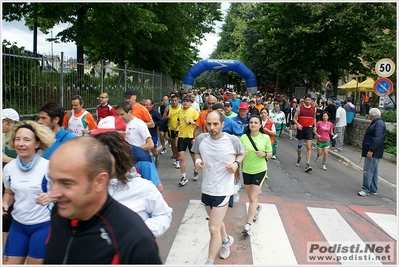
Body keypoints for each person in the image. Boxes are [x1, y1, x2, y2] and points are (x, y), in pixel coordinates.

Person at [42, 137, 162, 264]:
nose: (54, 193)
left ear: (99, 182)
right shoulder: (59, 212)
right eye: (53, 181)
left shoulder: (135, 241)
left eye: (66, 183)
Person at [91, 130, 172, 237]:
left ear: (119, 158)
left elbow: (163, 214)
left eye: (103, 158)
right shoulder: (87, 188)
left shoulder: (142, 186)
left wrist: (138, 232)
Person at [192, 111, 244, 265]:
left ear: (222, 124)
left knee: (213, 228)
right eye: (208, 124)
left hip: (224, 189)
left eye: (215, 124)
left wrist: (236, 164)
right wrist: (198, 161)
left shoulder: (232, 140)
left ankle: (209, 262)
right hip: (207, 188)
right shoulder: (201, 139)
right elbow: (195, 152)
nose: (212, 127)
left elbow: (241, 153)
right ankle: (227, 240)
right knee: (217, 221)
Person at [2, 120, 55, 264]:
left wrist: (51, 197)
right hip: (18, 225)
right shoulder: (9, 168)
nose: (21, 144)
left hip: (42, 225)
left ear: (37, 143)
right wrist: (4, 203)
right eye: (17, 139)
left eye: (26, 140)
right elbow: (9, 193)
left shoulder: (48, 167)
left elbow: (65, 193)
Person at [239, 115, 272, 235]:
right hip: (247, 170)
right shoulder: (243, 137)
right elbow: (238, 152)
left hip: (260, 170)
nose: (253, 124)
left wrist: (264, 154)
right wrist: (242, 154)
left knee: (253, 197)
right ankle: (257, 207)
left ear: (260, 125)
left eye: (255, 122)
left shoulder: (265, 137)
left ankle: (248, 224)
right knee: (251, 197)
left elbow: (270, 153)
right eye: (251, 122)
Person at [2, 108, 20, 251]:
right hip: (5, 182)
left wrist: (9, 160)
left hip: (15, 184)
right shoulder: (4, 137)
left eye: (3, 122)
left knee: (9, 216)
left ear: (12, 122)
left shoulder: (18, 139)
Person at [358, 108, 386, 197]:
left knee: (368, 170)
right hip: (376, 151)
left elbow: (377, 138)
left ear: (372, 115)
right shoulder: (379, 123)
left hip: (373, 151)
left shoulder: (377, 124)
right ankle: (373, 189)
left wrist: (371, 150)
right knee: (374, 170)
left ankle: (366, 189)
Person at [174, 96, 199, 186]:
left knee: (193, 156)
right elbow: (179, 120)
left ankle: (196, 170)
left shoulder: (194, 112)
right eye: (184, 101)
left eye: (187, 101)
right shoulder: (180, 111)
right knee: (181, 157)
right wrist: (176, 125)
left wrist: (190, 122)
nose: (185, 103)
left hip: (190, 137)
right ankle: (184, 176)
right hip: (181, 137)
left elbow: (198, 124)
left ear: (190, 103)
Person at [293, 94, 317, 172]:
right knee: (299, 146)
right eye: (306, 100)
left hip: (309, 128)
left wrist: (315, 126)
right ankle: (299, 157)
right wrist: (298, 124)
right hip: (301, 128)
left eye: (309, 100)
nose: (307, 101)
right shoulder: (300, 108)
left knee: (309, 146)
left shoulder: (314, 109)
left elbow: (314, 118)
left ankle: (307, 164)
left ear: (311, 100)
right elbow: (294, 118)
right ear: (304, 100)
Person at [142, 99, 164, 167]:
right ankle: (149, 162)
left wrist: (154, 124)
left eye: (147, 105)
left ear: (152, 105)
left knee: (154, 150)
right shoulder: (142, 112)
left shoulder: (155, 113)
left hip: (152, 134)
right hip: (144, 135)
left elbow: (161, 121)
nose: (145, 106)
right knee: (145, 150)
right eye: (144, 105)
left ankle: (157, 157)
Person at [163, 94, 182, 167]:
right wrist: (167, 117)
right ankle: (176, 157)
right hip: (171, 129)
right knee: (173, 145)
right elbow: (163, 118)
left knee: (177, 145)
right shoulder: (168, 108)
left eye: (175, 100)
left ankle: (178, 160)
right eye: (172, 101)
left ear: (178, 100)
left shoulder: (181, 107)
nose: (174, 102)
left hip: (179, 129)